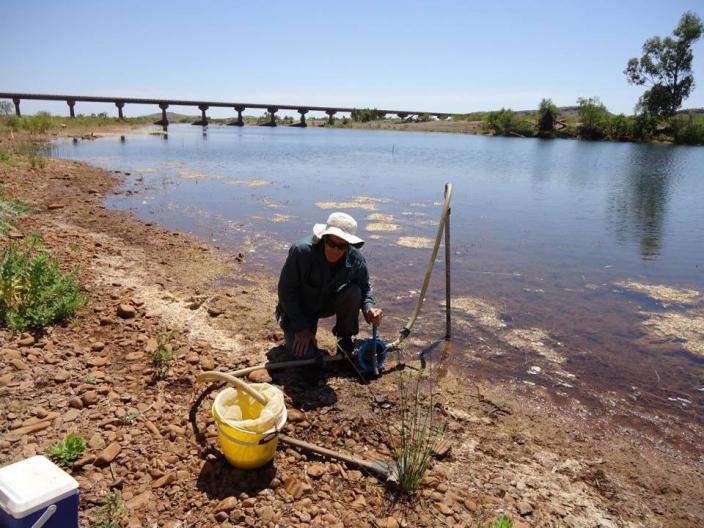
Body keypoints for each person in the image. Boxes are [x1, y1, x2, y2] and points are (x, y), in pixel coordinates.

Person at [276, 212, 383, 369]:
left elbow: (364, 288)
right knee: (305, 356)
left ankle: (344, 339)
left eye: (341, 246)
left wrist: (369, 309)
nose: (335, 250)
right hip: (300, 308)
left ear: (348, 245)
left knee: (354, 291)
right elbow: (286, 292)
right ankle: (302, 332)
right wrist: (301, 328)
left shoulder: (356, 259)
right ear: (323, 238)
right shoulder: (301, 252)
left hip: (327, 303)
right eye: (331, 243)